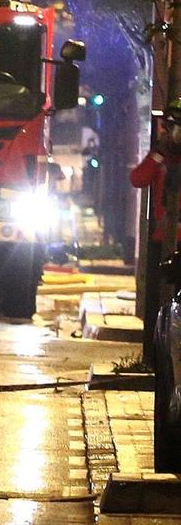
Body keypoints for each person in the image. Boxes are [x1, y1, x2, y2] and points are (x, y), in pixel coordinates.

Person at [133, 106, 181, 471]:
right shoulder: (163, 157)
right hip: (166, 243)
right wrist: (159, 153)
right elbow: (138, 179)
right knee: (162, 319)